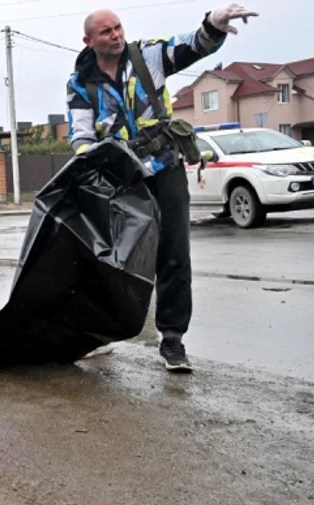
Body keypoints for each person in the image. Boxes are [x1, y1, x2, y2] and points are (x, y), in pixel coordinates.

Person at [66, 4, 257, 371]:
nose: (116, 35)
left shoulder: (147, 55)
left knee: (174, 253)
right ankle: (99, 333)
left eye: (118, 27)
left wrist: (213, 25)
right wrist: (89, 162)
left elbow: (193, 45)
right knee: (111, 257)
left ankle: (172, 339)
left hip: (165, 165)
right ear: (89, 41)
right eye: (106, 31)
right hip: (121, 177)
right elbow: (81, 134)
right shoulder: (80, 82)